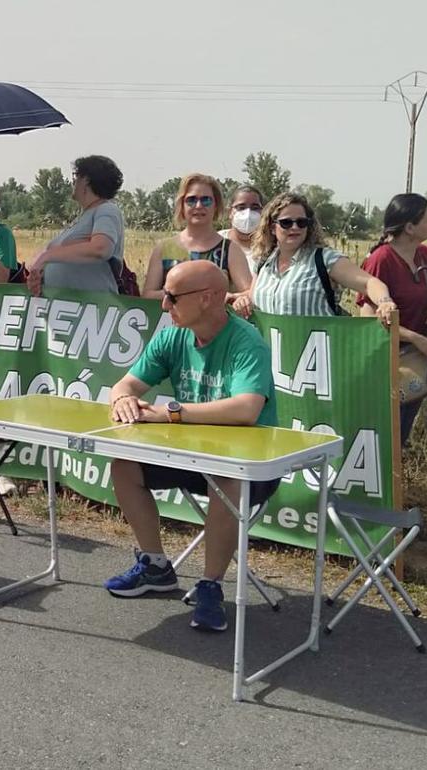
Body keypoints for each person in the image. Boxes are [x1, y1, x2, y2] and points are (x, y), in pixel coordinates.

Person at [103, 260, 279, 632]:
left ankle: (211, 585)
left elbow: (247, 409)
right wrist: (122, 400)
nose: (164, 304)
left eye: (172, 296)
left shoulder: (247, 342)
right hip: (193, 456)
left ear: (208, 298)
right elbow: (125, 384)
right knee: (124, 465)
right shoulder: (171, 337)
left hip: (250, 465)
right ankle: (155, 566)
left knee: (227, 480)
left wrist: (171, 413)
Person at [357, 193, 427, 445]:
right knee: (385, 434)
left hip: (421, 359)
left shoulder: (425, 255)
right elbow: (368, 317)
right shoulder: (381, 259)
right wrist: (415, 338)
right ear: (410, 227)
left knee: (402, 431)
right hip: (390, 361)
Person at [233, 193, 397, 325]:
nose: (295, 227)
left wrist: (384, 302)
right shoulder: (264, 262)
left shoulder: (324, 259)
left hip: (316, 354)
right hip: (271, 353)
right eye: (286, 223)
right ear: (272, 227)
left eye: (301, 222)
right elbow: (253, 297)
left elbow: (369, 283)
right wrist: (242, 300)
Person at [141, 173, 252, 302]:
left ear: (216, 206)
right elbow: (148, 295)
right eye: (191, 200)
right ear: (182, 205)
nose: (199, 206)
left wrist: (232, 297)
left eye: (206, 200)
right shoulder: (164, 248)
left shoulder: (229, 249)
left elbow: (249, 292)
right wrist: (182, 294)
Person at [27, 155, 125, 295]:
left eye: (76, 176)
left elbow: (100, 248)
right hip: (65, 302)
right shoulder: (82, 218)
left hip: (94, 303)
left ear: (86, 180)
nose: (73, 182)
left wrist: (47, 256)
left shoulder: (106, 209)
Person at [218, 185, 265, 272]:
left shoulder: (270, 248)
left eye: (255, 208)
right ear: (230, 212)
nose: (248, 213)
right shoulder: (217, 242)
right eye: (241, 207)